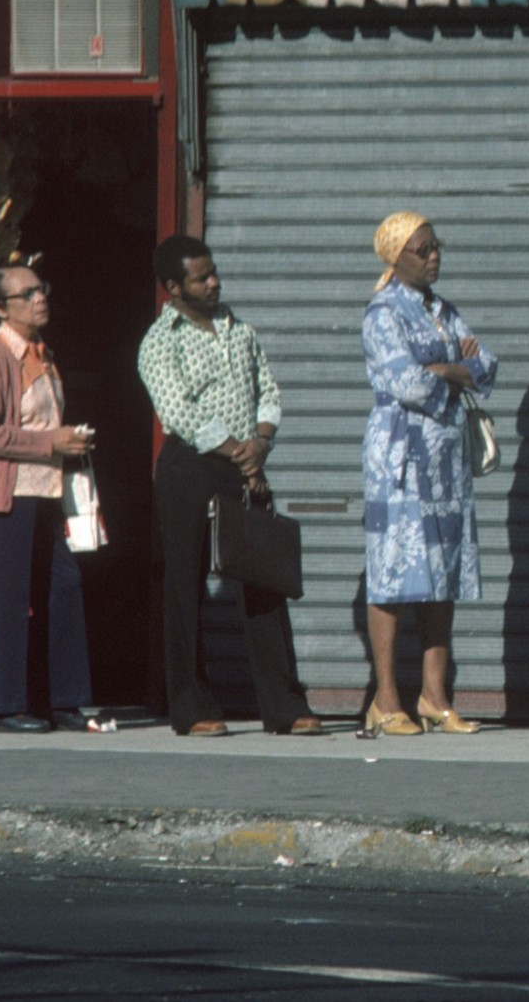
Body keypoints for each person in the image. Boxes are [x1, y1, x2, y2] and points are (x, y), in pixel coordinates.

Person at [138, 235, 322, 738]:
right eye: (201, 278)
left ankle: (284, 705)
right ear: (175, 287)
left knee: (266, 581)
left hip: (246, 465)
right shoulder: (161, 342)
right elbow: (179, 412)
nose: (214, 283)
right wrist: (238, 450)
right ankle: (191, 704)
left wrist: (260, 442)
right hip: (191, 467)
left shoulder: (238, 330)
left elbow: (268, 390)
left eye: (214, 272)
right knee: (184, 584)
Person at [361, 212, 497, 736]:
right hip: (399, 458)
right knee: (393, 572)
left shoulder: (443, 311)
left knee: (443, 573)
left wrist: (446, 368)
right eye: (424, 250)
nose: (435, 256)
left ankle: (435, 696)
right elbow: (407, 384)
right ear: (397, 256)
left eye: (437, 247)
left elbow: (488, 365)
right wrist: (454, 369)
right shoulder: (382, 313)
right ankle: (386, 699)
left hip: (446, 460)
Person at [0, 263, 108, 735]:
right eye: (25, 294)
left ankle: (60, 699)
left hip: (46, 491)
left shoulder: (41, 352)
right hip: (9, 494)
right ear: (1, 308)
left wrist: (67, 442)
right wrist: (51, 442)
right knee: (8, 596)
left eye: (40, 289)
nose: (39, 298)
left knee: (62, 587)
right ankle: (0, 705)